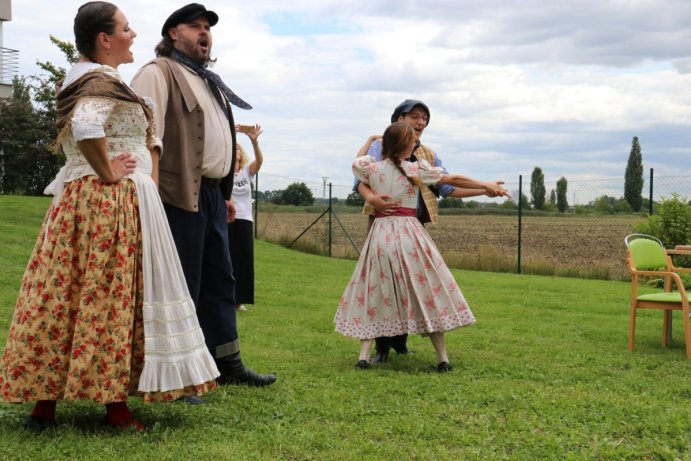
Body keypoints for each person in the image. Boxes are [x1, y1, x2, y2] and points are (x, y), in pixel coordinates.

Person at [0, 1, 220, 431]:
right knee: (107, 299)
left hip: (87, 200)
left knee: (65, 295)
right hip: (107, 201)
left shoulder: (92, 79)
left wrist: (146, 179)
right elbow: (86, 127)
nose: (133, 33)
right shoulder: (99, 82)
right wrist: (108, 170)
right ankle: (113, 405)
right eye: (125, 27)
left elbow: (136, 137)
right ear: (104, 39)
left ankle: (45, 403)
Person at [130, 4, 276, 390]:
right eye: (195, 26)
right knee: (183, 285)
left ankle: (227, 365)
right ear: (173, 34)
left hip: (212, 198)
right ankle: (178, 377)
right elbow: (142, 137)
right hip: (174, 196)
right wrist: (149, 197)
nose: (204, 32)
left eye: (207, 27)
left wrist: (225, 194)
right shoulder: (157, 73)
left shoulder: (209, 81)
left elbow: (219, 143)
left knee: (220, 282)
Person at [336, 122, 509, 371]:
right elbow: (453, 178)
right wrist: (486, 185)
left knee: (374, 290)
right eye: (411, 140)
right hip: (409, 234)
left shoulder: (372, 167)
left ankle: (364, 355)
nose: (415, 142)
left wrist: (370, 139)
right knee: (427, 289)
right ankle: (442, 358)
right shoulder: (415, 169)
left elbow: (357, 162)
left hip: (381, 235)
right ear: (406, 145)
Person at [229, 125, 264, 312]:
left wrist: (254, 142)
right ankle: (226, 297)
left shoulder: (245, 173)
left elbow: (260, 161)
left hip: (244, 220)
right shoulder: (223, 172)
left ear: (241, 154)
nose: (235, 150)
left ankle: (239, 300)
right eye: (232, 147)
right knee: (227, 258)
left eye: (237, 148)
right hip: (226, 219)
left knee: (243, 260)